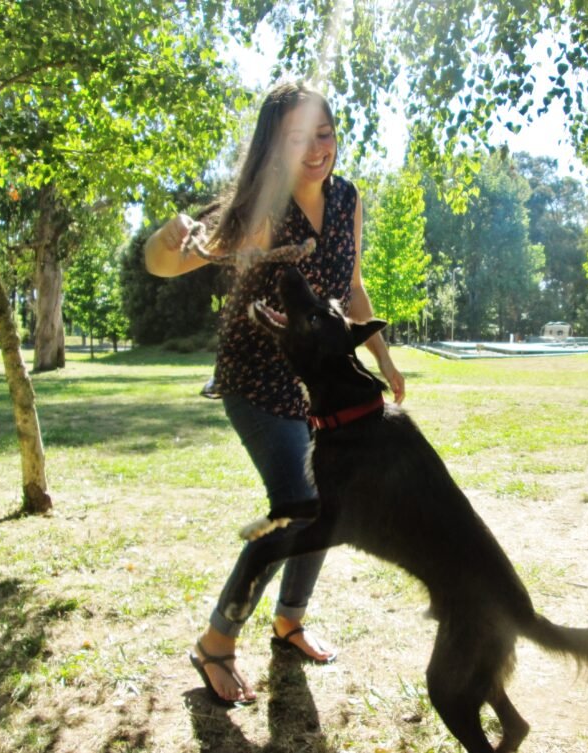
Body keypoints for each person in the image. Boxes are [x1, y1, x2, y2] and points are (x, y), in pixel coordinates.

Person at [144, 81, 405, 706]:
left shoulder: (346, 200)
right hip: (256, 380)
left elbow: (352, 287)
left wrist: (385, 358)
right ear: (274, 146)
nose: (316, 150)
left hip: (315, 385)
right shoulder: (260, 207)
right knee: (297, 507)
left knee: (328, 506)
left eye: (323, 133)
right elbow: (167, 261)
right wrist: (167, 236)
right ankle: (217, 642)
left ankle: (289, 621)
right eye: (297, 138)